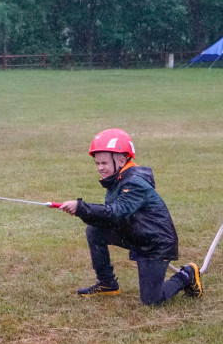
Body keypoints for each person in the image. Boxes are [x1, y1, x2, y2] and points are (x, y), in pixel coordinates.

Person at [57, 128, 202, 305]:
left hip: (155, 243)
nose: (100, 168)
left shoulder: (134, 183)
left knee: (152, 301)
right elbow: (108, 218)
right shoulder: (117, 178)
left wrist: (81, 207)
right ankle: (107, 284)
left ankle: (187, 274)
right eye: (97, 164)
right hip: (136, 234)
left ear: (122, 160)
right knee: (94, 231)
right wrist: (81, 211)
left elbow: (116, 212)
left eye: (104, 163)